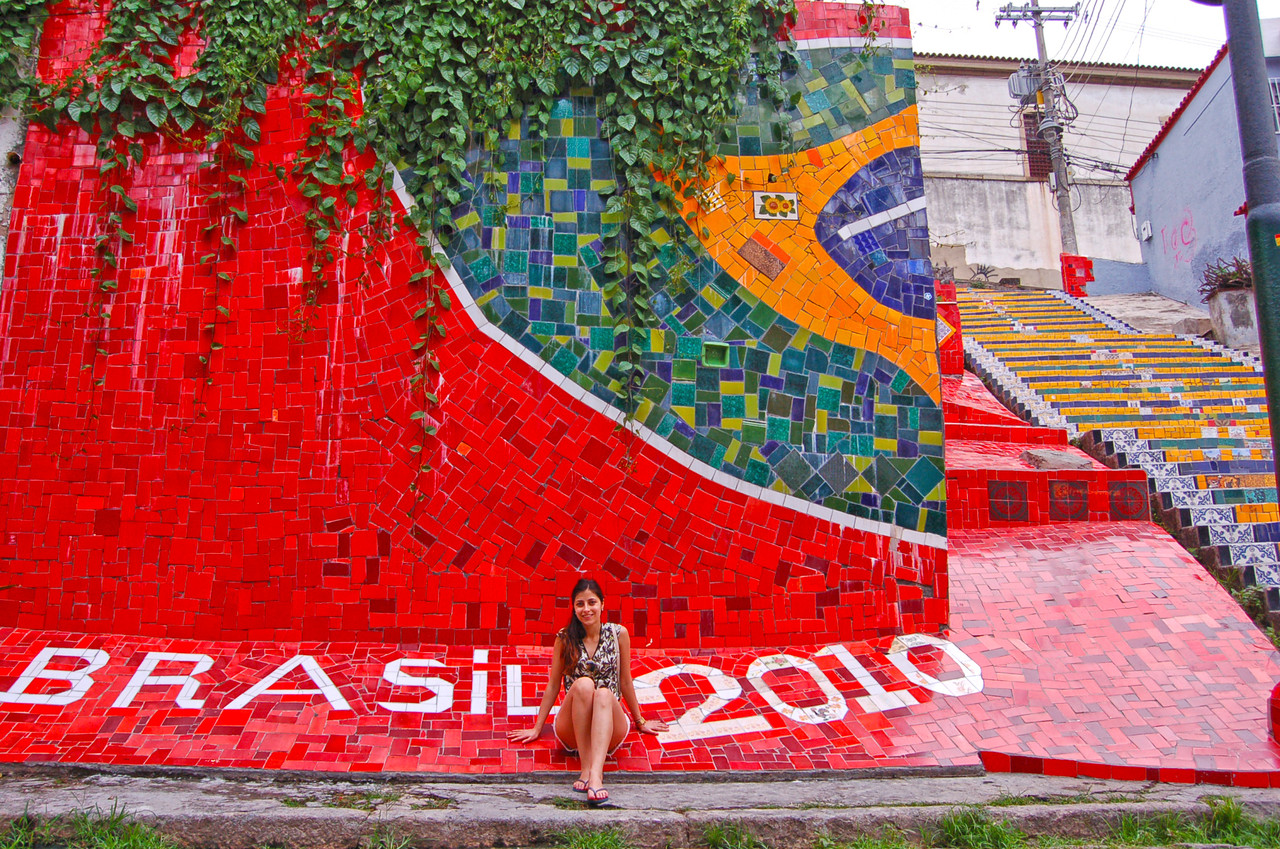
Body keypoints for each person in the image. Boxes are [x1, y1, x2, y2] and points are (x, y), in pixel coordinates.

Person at [507, 577, 668, 805]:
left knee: (603, 692)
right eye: (580, 604)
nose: (586, 609)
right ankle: (586, 767)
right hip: (573, 727)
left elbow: (625, 681)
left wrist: (640, 721)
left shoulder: (618, 634)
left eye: (592, 602)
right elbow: (553, 684)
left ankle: (595, 774)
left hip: (609, 725)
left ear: (602, 604)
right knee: (583, 684)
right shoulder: (565, 638)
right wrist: (537, 727)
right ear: (573, 608)